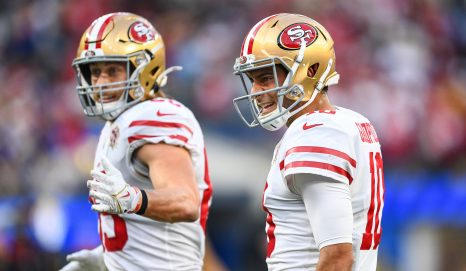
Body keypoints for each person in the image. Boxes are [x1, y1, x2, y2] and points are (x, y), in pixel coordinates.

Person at [60, 12, 213, 271]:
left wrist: (132, 198)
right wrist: (108, 257)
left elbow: (185, 201)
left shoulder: (152, 116)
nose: (100, 82)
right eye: (95, 71)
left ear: (147, 69)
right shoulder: (119, 122)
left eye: (112, 70)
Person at [232, 13, 385, 270]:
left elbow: (337, 256)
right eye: (253, 80)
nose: (256, 91)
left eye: (266, 77)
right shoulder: (352, 123)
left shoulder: (315, 134)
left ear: (309, 71)